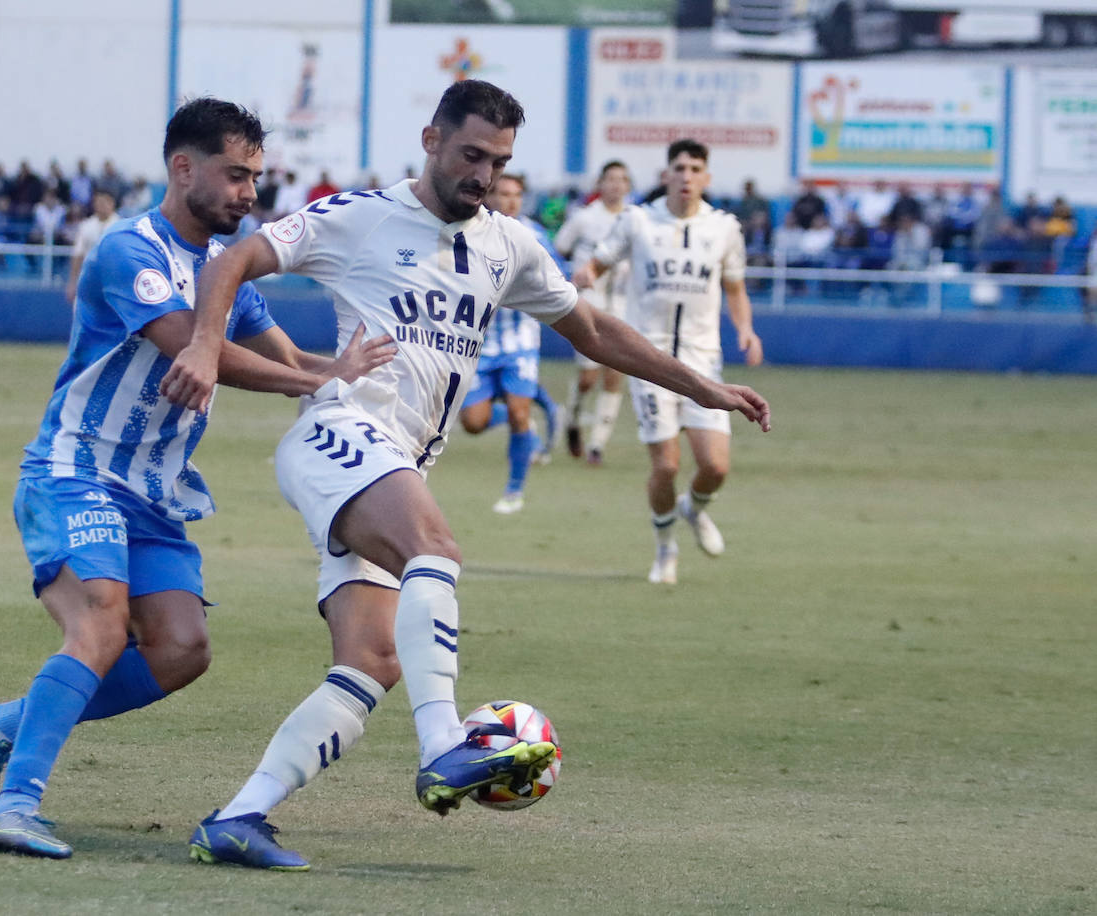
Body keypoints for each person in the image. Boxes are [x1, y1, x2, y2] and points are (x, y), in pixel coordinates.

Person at [162, 80, 770, 870]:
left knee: (372, 663)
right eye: (471, 155)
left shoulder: (508, 244)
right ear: (431, 140)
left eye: (500, 161)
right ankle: (445, 740)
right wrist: (205, 346)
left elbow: (592, 328)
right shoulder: (361, 216)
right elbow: (233, 260)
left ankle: (239, 818)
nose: (483, 174)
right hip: (340, 435)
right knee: (435, 547)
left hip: (394, 462)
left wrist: (704, 386)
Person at [0, 96, 396, 861]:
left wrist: (336, 371)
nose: (248, 193)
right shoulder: (130, 249)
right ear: (182, 167)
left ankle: (0, 724)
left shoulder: (227, 271)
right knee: (100, 620)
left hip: (154, 492)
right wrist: (312, 382)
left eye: (255, 176)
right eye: (233, 174)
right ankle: (16, 804)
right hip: (78, 471)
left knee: (182, 650)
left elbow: (286, 359)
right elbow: (187, 344)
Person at [572, 138, 765, 586]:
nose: (686, 175)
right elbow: (598, 263)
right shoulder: (638, 221)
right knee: (666, 466)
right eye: (678, 167)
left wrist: (745, 329)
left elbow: (734, 287)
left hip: (703, 360)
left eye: (695, 168)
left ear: (707, 178)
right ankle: (665, 548)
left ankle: (692, 510)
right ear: (666, 175)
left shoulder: (724, 228)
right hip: (649, 358)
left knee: (716, 467)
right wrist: (583, 278)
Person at [457, 172, 562, 514]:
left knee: (519, 414)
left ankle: (514, 491)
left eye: (516, 194)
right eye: (502, 193)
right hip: (477, 345)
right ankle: (539, 407)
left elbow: (558, 280)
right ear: (489, 196)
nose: (509, 201)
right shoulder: (466, 231)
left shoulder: (535, 236)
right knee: (473, 423)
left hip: (520, 342)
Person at [552, 160, 634, 465]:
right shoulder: (584, 218)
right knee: (587, 377)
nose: (616, 184)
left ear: (628, 186)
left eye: (622, 179)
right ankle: (572, 419)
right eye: (610, 178)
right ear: (600, 183)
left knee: (615, 374)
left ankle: (597, 445)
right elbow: (560, 247)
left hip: (624, 305)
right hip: (589, 304)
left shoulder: (636, 219)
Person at [65, 188, 120, 302]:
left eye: (104, 202)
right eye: (98, 202)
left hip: (113, 280)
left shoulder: (121, 225)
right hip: (90, 278)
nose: (101, 205)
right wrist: (72, 282)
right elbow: (78, 254)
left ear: (112, 203)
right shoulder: (86, 226)